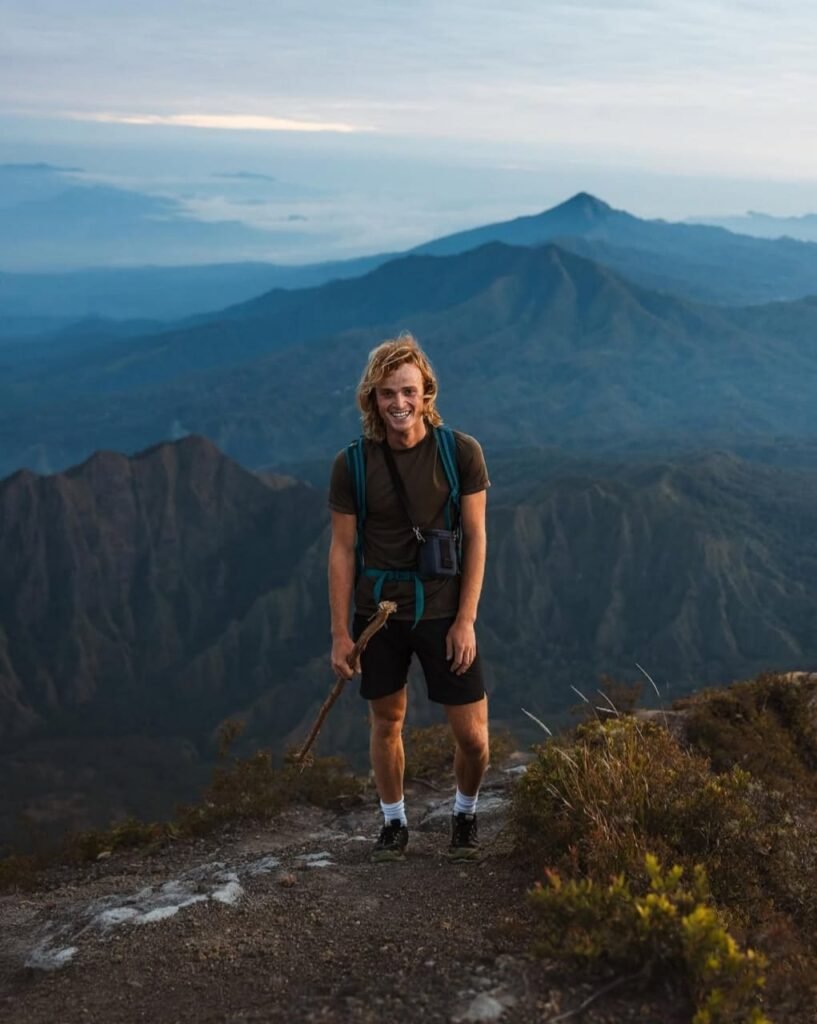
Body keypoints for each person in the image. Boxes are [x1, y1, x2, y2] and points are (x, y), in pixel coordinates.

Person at [328, 333, 490, 862]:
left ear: (426, 394)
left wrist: (466, 620)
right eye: (387, 393)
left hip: (444, 610)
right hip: (379, 613)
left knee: (474, 738)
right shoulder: (353, 465)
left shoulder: (459, 453)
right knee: (387, 722)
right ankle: (394, 823)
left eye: (408, 391)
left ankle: (464, 813)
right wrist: (340, 633)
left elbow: (476, 537)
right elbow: (342, 550)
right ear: (372, 400)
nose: (398, 402)